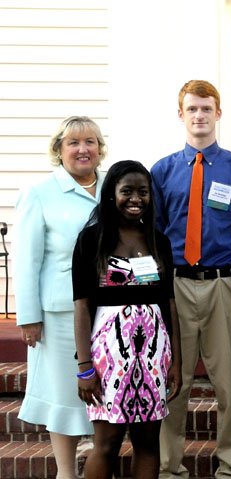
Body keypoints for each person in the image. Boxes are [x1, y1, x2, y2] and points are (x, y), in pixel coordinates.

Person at [151, 80, 231, 479]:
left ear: (219, 113)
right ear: (181, 114)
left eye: (206, 108)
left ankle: (230, 468)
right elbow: (156, 234)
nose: (199, 115)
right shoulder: (161, 170)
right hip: (176, 287)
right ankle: (168, 467)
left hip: (221, 285)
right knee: (173, 381)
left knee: (229, 385)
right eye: (192, 109)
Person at [72, 160, 183, 479]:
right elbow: (81, 307)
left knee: (148, 443)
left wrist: (175, 361)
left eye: (143, 192)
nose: (136, 198)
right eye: (127, 191)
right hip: (108, 352)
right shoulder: (91, 240)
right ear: (111, 195)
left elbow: (169, 304)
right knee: (106, 443)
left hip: (153, 353)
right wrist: (85, 367)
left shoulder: (158, 240)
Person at [13, 116, 104, 478]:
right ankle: (66, 473)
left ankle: (99, 467)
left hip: (110, 311)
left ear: (100, 148)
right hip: (60, 314)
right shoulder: (40, 193)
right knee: (64, 395)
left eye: (91, 142)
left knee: (105, 396)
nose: (83, 149)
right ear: (59, 149)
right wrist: (29, 316)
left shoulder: (113, 186)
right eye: (74, 143)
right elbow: (27, 259)